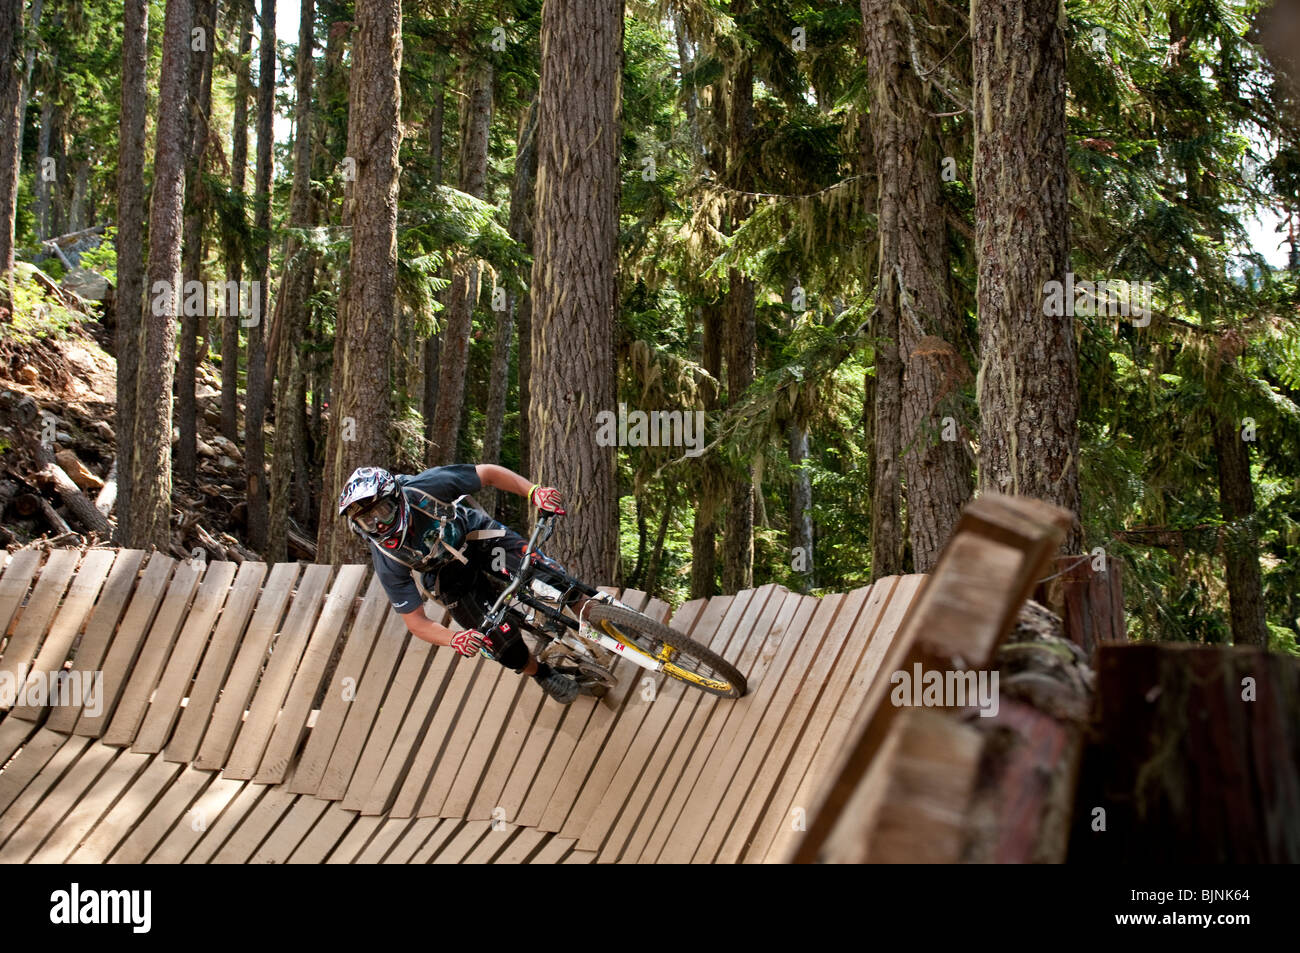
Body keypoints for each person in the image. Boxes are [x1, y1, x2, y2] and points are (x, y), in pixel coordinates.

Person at [338, 463, 585, 704]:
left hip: (476, 536)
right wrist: (454, 639)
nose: (378, 524)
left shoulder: (427, 486)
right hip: (447, 576)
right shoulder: (387, 559)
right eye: (367, 521)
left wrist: (534, 492)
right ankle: (541, 673)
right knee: (499, 645)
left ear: (397, 499)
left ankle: (596, 612)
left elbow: (487, 474)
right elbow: (415, 622)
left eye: (382, 511)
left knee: (554, 579)